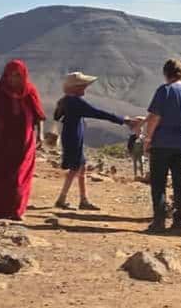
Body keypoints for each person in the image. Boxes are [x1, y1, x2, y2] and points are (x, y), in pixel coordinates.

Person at [53, 72, 133, 211]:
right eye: (83, 86)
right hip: (74, 138)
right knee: (75, 168)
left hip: (71, 136)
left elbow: (57, 116)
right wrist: (123, 120)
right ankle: (63, 199)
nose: (85, 88)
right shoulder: (75, 102)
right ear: (76, 87)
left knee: (80, 166)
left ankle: (83, 199)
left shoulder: (66, 100)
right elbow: (98, 113)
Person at [144, 59, 181, 233]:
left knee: (159, 182)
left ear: (166, 74)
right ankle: (179, 220)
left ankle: (159, 221)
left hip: (162, 142)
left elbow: (155, 117)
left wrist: (148, 139)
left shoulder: (164, 90)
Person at [0, 60, 46, 221]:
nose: (13, 79)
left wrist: (40, 135)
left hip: (24, 142)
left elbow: (39, 115)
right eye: (10, 75)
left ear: (23, 75)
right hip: (2, 140)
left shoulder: (30, 91)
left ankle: (16, 211)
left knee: (20, 175)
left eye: (17, 75)